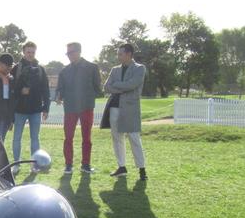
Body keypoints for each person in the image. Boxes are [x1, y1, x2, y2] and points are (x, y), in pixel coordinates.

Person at [102, 43, 147, 180]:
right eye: (118, 54)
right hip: (114, 107)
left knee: (134, 138)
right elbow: (106, 87)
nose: (118, 56)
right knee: (117, 138)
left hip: (130, 108)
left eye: (120, 54)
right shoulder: (115, 70)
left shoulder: (140, 68)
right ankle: (121, 166)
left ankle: (142, 170)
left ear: (129, 54)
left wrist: (117, 86)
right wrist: (123, 88)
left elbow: (132, 84)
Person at [56, 42, 102, 174]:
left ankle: (85, 165)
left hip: (86, 107)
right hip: (70, 108)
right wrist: (59, 96)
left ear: (79, 51)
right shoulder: (64, 71)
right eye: (67, 53)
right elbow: (60, 88)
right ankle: (68, 165)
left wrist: (88, 96)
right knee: (68, 137)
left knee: (86, 138)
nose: (69, 55)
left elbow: (97, 88)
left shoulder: (92, 67)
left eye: (71, 52)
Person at [10, 42, 50, 174]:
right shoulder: (16, 68)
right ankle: (16, 164)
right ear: (23, 52)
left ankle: (35, 165)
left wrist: (46, 108)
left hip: (36, 110)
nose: (30, 54)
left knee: (35, 138)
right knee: (17, 138)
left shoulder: (41, 69)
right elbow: (11, 89)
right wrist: (20, 91)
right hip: (19, 110)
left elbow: (45, 89)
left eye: (33, 52)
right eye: (28, 52)